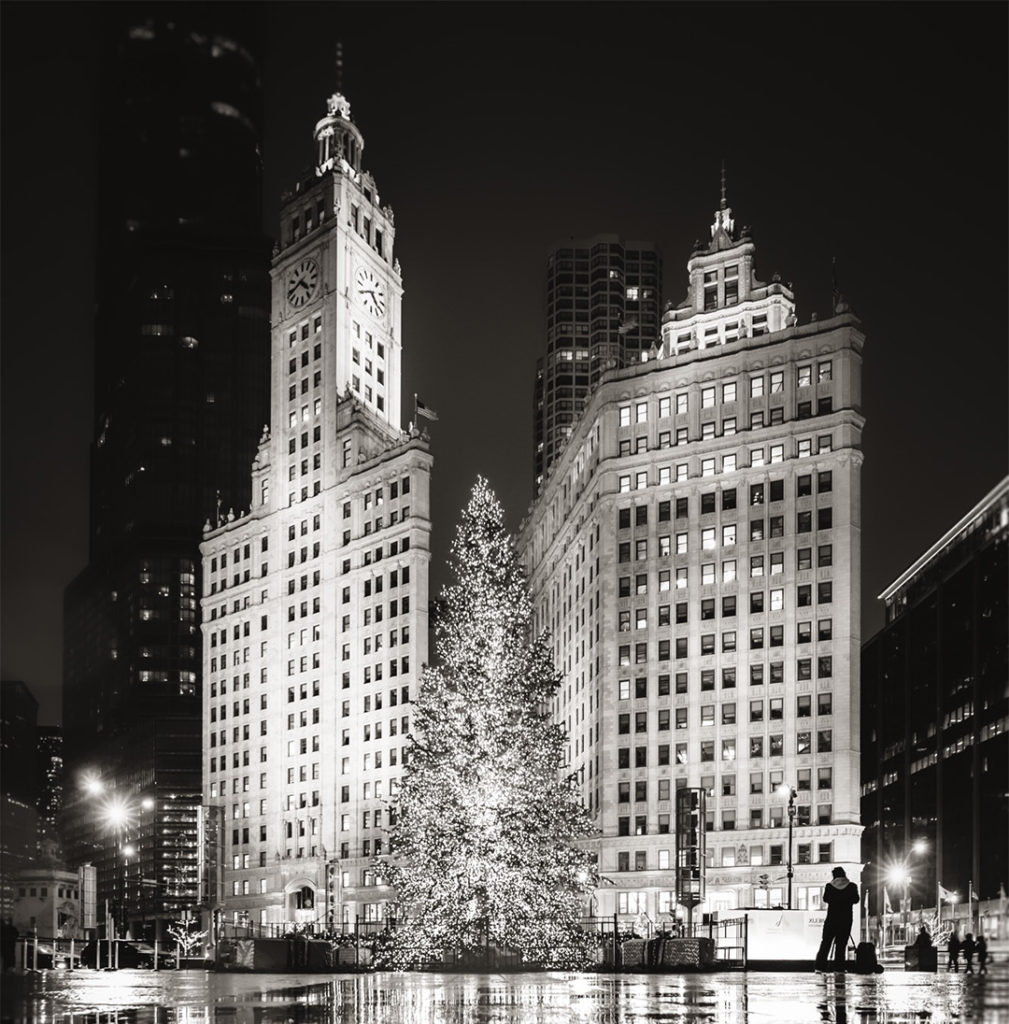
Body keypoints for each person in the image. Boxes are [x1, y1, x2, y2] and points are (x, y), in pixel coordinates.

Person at [815, 866, 859, 972]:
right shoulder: (852, 886)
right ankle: (839, 968)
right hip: (846, 919)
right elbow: (856, 899)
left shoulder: (829, 886)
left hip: (832, 918)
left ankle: (820, 967)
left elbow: (825, 899)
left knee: (826, 943)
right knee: (841, 945)